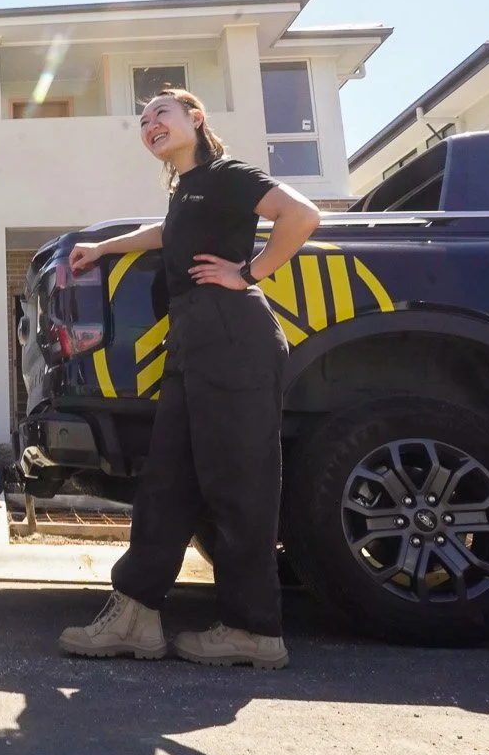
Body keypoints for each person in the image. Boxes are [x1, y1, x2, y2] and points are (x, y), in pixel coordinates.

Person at [56, 87, 320, 669]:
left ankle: (255, 630)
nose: (150, 124)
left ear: (196, 119)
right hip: (194, 339)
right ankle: (136, 616)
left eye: (162, 114)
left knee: (239, 484)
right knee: (167, 480)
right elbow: (164, 233)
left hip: (233, 334)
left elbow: (301, 215)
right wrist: (102, 247)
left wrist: (247, 273)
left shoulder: (226, 173)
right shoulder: (189, 193)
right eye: (143, 120)